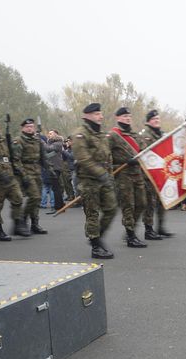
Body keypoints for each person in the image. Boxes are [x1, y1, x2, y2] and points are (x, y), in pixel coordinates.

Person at [71, 103, 117, 259]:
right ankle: (96, 246)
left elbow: (108, 156)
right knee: (92, 214)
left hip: (104, 179)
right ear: (87, 115)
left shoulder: (101, 134)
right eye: (97, 114)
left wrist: (109, 175)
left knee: (111, 208)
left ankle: (97, 237)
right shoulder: (80, 134)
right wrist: (101, 173)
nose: (101, 116)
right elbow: (83, 158)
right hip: (89, 180)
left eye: (100, 113)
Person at [108, 107, 147, 248]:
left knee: (142, 203)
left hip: (137, 172)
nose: (128, 118)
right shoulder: (113, 135)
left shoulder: (135, 135)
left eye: (129, 116)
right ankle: (130, 235)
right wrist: (116, 166)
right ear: (118, 118)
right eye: (124, 116)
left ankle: (131, 228)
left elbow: (144, 150)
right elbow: (106, 154)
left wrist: (141, 157)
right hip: (123, 174)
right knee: (128, 205)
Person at [11, 118, 49, 233]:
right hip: (26, 172)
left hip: (37, 171)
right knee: (35, 196)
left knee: (37, 200)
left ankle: (35, 224)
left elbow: (43, 157)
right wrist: (24, 175)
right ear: (22, 128)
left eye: (32, 126)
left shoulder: (37, 140)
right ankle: (22, 219)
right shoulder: (18, 141)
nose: (30, 128)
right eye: (27, 127)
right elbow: (16, 160)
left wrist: (49, 169)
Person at [140, 110, 171, 238]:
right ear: (148, 121)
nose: (156, 120)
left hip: (162, 173)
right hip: (149, 175)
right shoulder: (145, 135)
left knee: (162, 202)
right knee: (150, 203)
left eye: (158, 118)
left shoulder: (162, 134)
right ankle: (148, 230)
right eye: (153, 119)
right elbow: (144, 154)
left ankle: (160, 227)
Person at [43, 129, 65, 216]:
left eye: (51, 133)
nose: (49, 135)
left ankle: (58, 207)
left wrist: (41, 142)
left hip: (55, 167)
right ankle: (61, 205)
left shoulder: (58, 143)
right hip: (52, 167)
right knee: (56, 187)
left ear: (56, 134)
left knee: (56, 188)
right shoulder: (52, 142)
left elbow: (48, 149)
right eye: (48, 133)